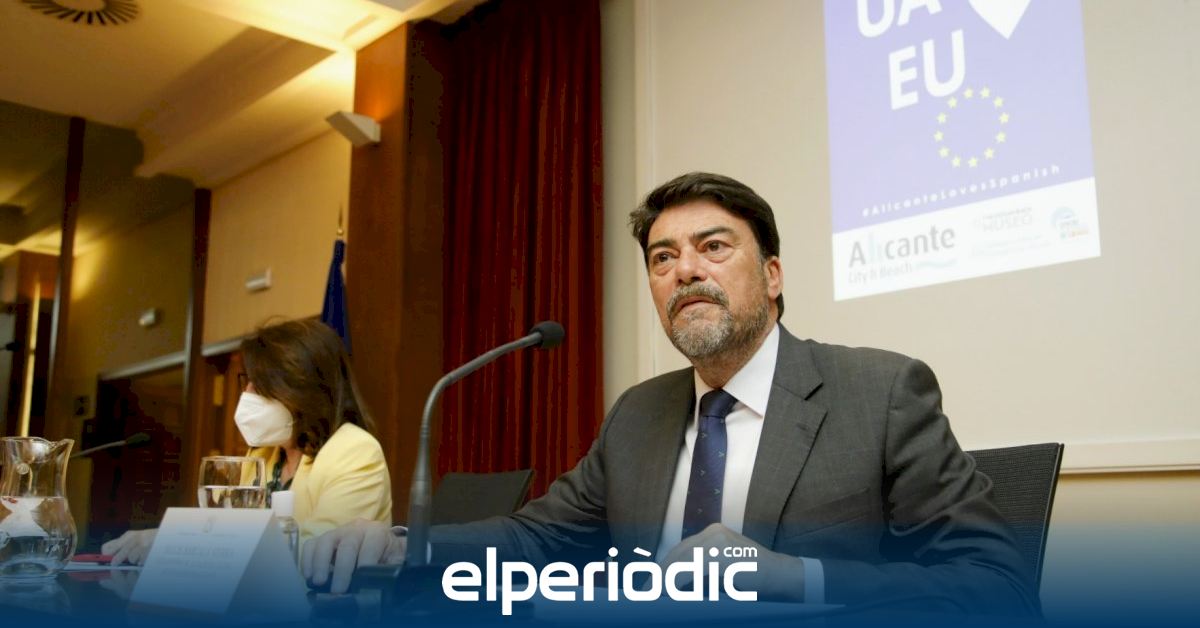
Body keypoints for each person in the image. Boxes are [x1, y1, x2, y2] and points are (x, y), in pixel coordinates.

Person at [304, 173, 1037, 615]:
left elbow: (994, 586)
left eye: (713, 247)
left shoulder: (880, 393)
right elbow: (536, 539)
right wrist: (402, 545)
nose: (684, 270)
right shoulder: (638, 413)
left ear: (773, 276)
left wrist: (790, 578)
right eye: (663, 258)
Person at [102, 319, 392, 565]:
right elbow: (222, 531)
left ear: (304, 391)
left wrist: (175, 544)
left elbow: (315, 551)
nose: (248, 394)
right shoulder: (263, 456)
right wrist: (171, 540)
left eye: (262, 386)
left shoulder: (355, 450)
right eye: (249, 381)